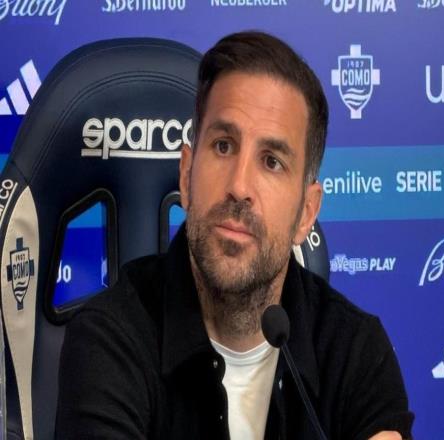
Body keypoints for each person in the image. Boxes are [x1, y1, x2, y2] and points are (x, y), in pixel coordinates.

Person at [56, 31, 414, 439]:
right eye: (224, 146)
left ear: (306, 213)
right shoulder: (109, 339)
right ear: (187, 174)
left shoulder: (356, 352)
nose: (239, 186)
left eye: (272, 162)